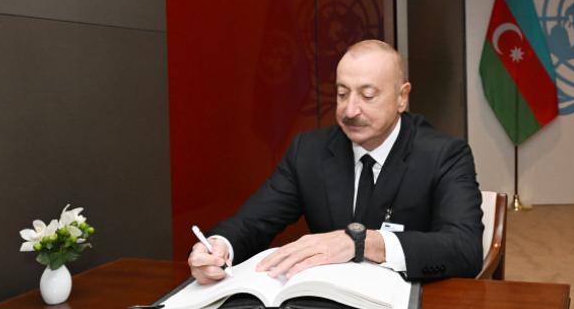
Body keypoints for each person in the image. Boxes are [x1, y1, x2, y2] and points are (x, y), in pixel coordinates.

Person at [189, 39, 483, 284]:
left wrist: (364, 242)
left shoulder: (444, 154)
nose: (350, 110)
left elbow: (464, 249)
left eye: (368, 95)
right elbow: (253, 222)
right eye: (342, 94)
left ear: (401, 97)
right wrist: (219, 246)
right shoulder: (309, 151)